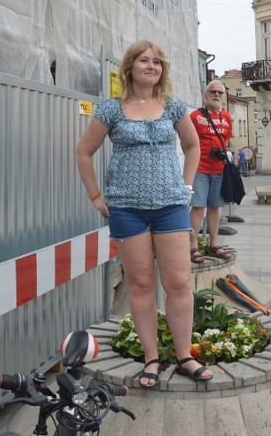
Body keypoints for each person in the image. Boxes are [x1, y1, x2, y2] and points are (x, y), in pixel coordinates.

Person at [76, 40, 212, 387]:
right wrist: (95, 195)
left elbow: (193, 145)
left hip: (170, 207)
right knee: (140, 283)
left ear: (161, 70)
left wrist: (186, 187)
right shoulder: (111, 109)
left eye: (157, 62)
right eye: (144, 60)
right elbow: (83, 152)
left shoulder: (173, 107)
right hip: (127, 209)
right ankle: (152, 359)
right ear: (130, 67)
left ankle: (184, 356)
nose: (151, 66)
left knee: (179, 282)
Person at [189, 81, 234, 264]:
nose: (216, 95)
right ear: (205, 94)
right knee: (198, 207)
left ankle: (214, 244)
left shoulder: (226, 117)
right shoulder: (195, 116)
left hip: (219, 169)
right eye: (212, 91)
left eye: (219, 92)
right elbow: (188, 143)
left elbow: (226, 142)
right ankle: (193, 246)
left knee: (215, 207)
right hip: (200, 169)